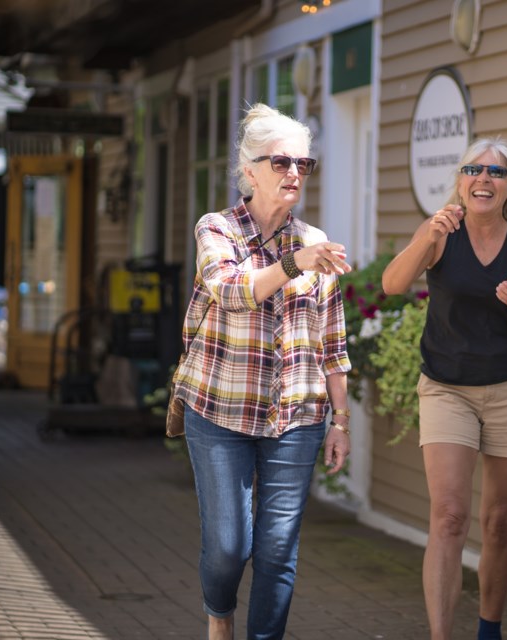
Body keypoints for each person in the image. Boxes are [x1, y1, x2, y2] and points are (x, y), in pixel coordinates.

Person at [173, 103, 353, 640]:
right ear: (249, 170)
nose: (294, 172)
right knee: (230, 546)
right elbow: (233, 292)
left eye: (304, 163)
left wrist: (340, 421)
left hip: (296, 417)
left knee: (278, 549)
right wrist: (298, 262)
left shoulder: (314, 238)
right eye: (281, 162)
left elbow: (333, 342)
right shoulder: (218, 228)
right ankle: (219, 613)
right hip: (219, 410)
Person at [382, 137, 507, 640]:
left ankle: (490, 629)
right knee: (448, 516)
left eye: (496, 172)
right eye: (473, 169)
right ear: (462, 183)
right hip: (447, 388)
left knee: (500, 520)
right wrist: (427, 237)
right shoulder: (441, 231)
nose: (483, 178)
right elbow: (392, 284)